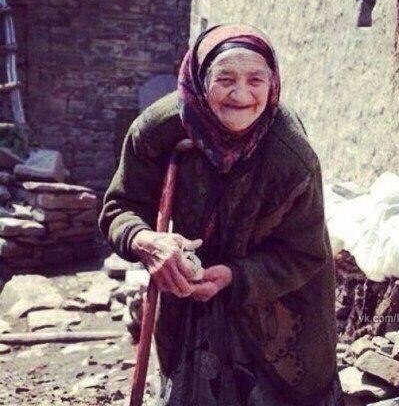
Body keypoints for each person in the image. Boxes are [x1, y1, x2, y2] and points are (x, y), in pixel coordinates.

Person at [98, 23, 345, 406]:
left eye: (255, 80)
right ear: (200, 79)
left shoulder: (291, 157)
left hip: (279, 311)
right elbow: (120, 207)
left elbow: (304, 253)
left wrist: (235, 275)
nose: (241, 95)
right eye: (225, 79)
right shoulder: (158, 131)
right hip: (189, 298)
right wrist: (145, 241)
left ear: (273, 83)